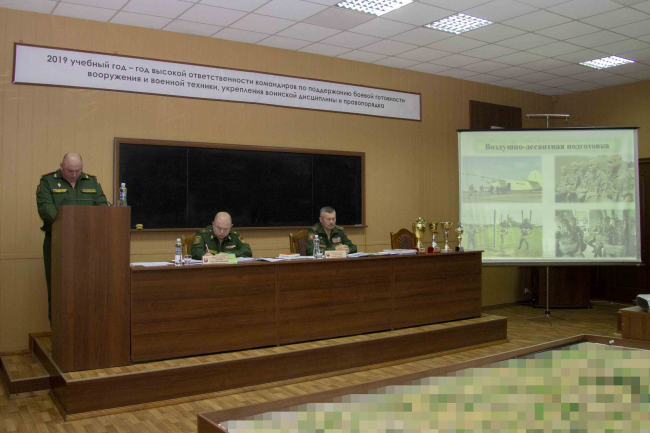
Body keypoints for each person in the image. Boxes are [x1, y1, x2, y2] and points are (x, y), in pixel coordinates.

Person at [36, 153, 108, 321]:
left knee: (88, 290)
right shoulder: (48, 182)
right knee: (58, 291)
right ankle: (59, 333)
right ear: (61, 166)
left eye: (78, 170)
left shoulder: (91, 182)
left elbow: (102, 207)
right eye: (70, 170)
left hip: (88, 244)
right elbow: (47, 211)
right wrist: (71, 227)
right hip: (58, 243)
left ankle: (86, 330)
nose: (74, 174)